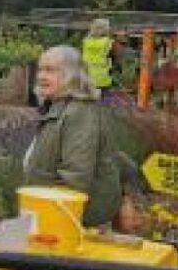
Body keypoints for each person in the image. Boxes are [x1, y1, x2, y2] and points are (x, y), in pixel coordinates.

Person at [24, 45, 120, 227]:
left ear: (72, 75)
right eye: (40, 69)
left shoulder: (79, 112)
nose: (41, 76)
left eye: (50, 70)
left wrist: (49, 217)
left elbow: (75, 179)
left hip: (71, 219)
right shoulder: (58, 107)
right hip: (53, 211)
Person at [81, 18, 117, 99]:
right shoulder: (108, 42)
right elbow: (114, 56)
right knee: (105, 99)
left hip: (87, 75)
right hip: (103, 76)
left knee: (88, 99)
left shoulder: (86, 41)